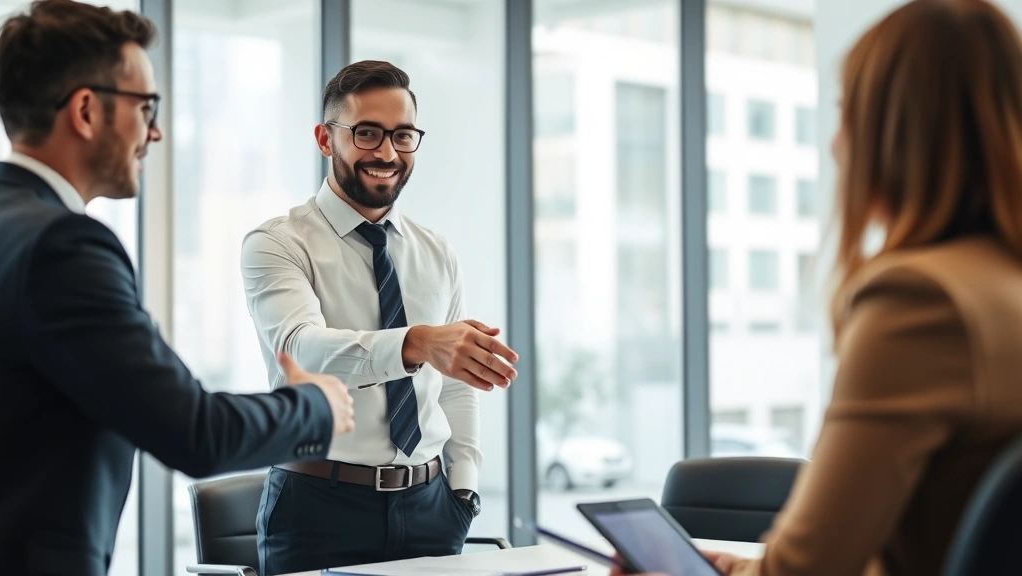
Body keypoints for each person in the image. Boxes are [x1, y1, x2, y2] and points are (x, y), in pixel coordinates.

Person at [615, 1, 1022, 575]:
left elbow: (803, 573)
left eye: (849, 114)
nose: (836, 145)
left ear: (896, 131)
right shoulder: (1004, 288)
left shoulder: (921, 303)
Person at [0, 2, 356, 575]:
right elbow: (195, 433)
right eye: (146, 107)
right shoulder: (64, 248)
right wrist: (316, 405)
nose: (155, 131)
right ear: (87, 110)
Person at [241, 59, 519, 574]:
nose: (387, 153)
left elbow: (454, 388)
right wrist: (416, 343)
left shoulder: (436, 252)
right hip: (317, 507)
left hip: (433, 507)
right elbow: (303, 350)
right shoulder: (277, 243)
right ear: (326, 139)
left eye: (403, 135)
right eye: (367, 133)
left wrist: (464, 488)